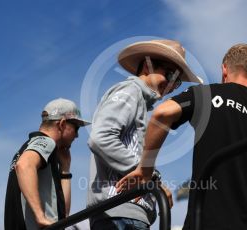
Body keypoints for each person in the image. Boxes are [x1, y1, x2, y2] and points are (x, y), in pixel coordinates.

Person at [117, 44, 247, 230]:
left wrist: (145, 170)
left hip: (204, 223)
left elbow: (162, 114)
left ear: (224, 69)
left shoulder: (206, 95)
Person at [87, 39, 203, 229]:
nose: (173, 85)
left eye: (178, 81)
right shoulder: (130, 91)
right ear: (148, 66)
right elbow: (101, 138)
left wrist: (151, 178)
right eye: (171, 74)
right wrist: (151, 178)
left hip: (124, 212)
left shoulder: (139, 100)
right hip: (121, 212)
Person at [4, 98, 90, 230]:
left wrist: (65, 169)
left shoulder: (28, 149)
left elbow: (63, 216)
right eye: (76, 128)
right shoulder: (45, 142)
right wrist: (40, 216)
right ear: (62, 124)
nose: (77, 135)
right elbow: (24, 166)